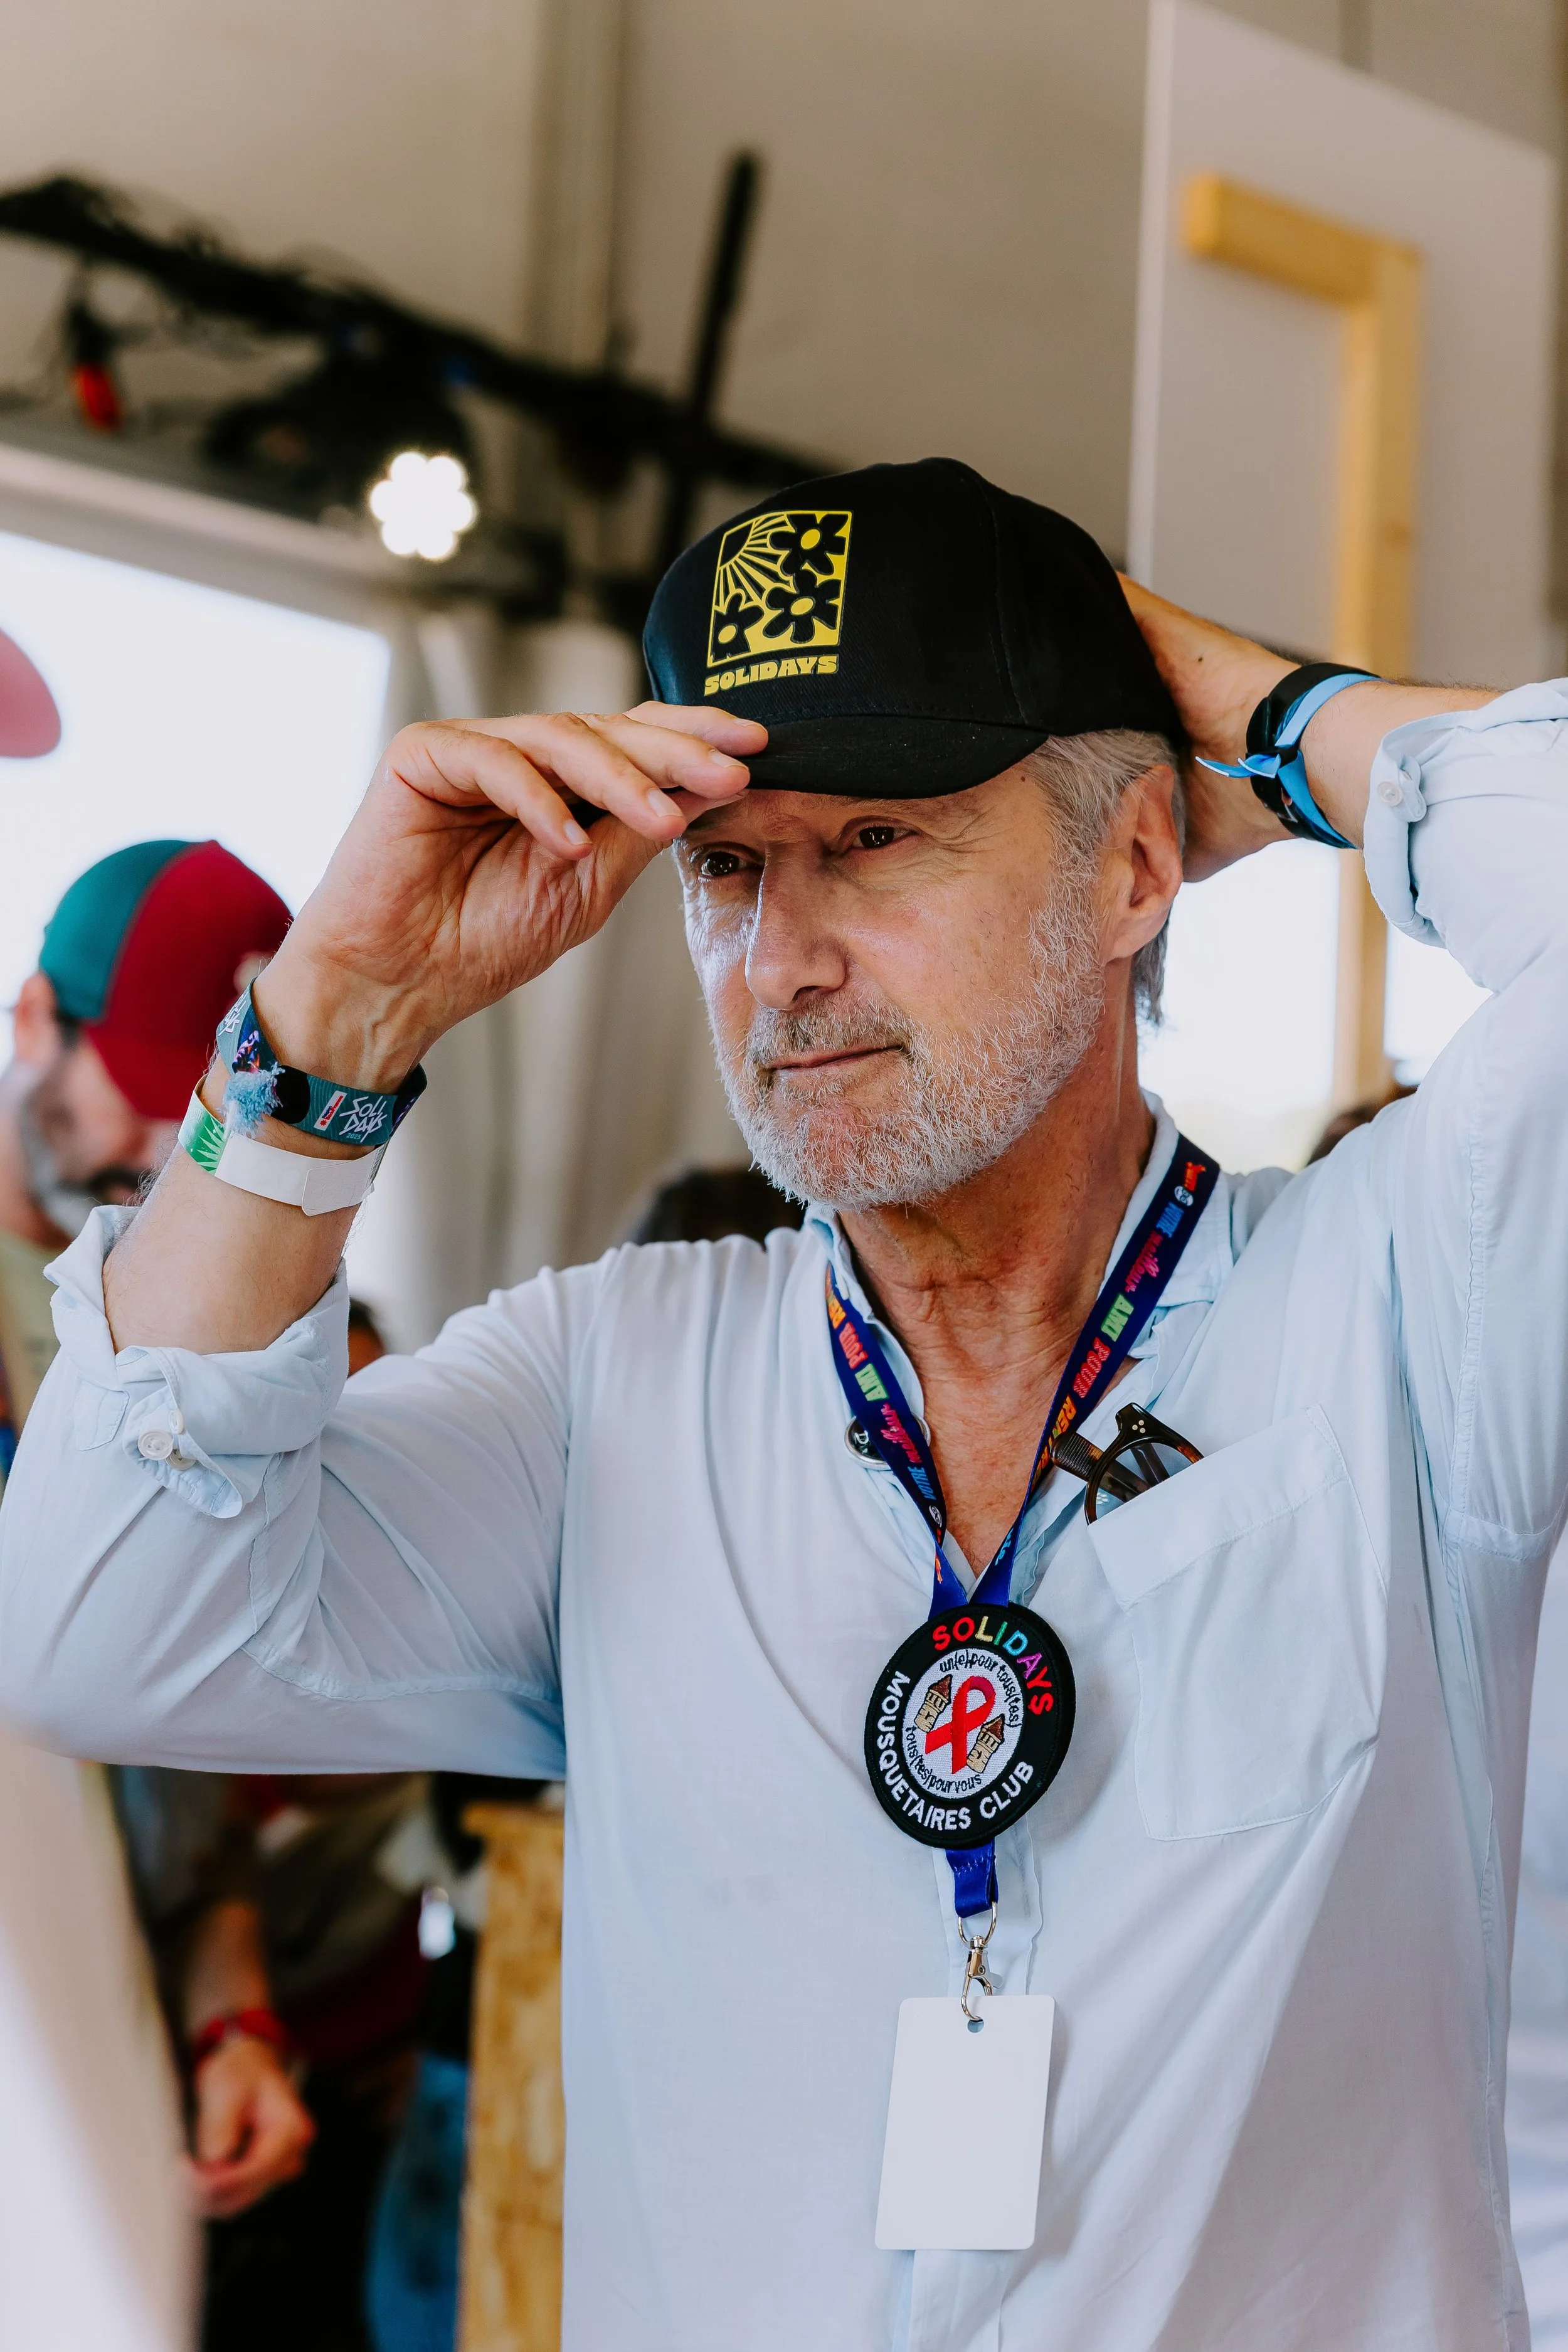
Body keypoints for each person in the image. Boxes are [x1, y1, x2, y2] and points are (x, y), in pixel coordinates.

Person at [0, 454, 1558, 2349]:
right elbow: (91, 1625)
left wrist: (1285, 720)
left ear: (1137, 861)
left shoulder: (1406, 1306)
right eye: (731, 867)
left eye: (882, 841)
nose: (783, 962)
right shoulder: (610, 1381)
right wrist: (331, 1021)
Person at [0, 839, 317, 2232]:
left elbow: (180, 1762)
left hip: (107, 2102)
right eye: (132, 1096)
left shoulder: (189, 1332)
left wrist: (227, 2019)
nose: (147, 1155)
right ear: (31, 1024)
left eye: (186, 1121)